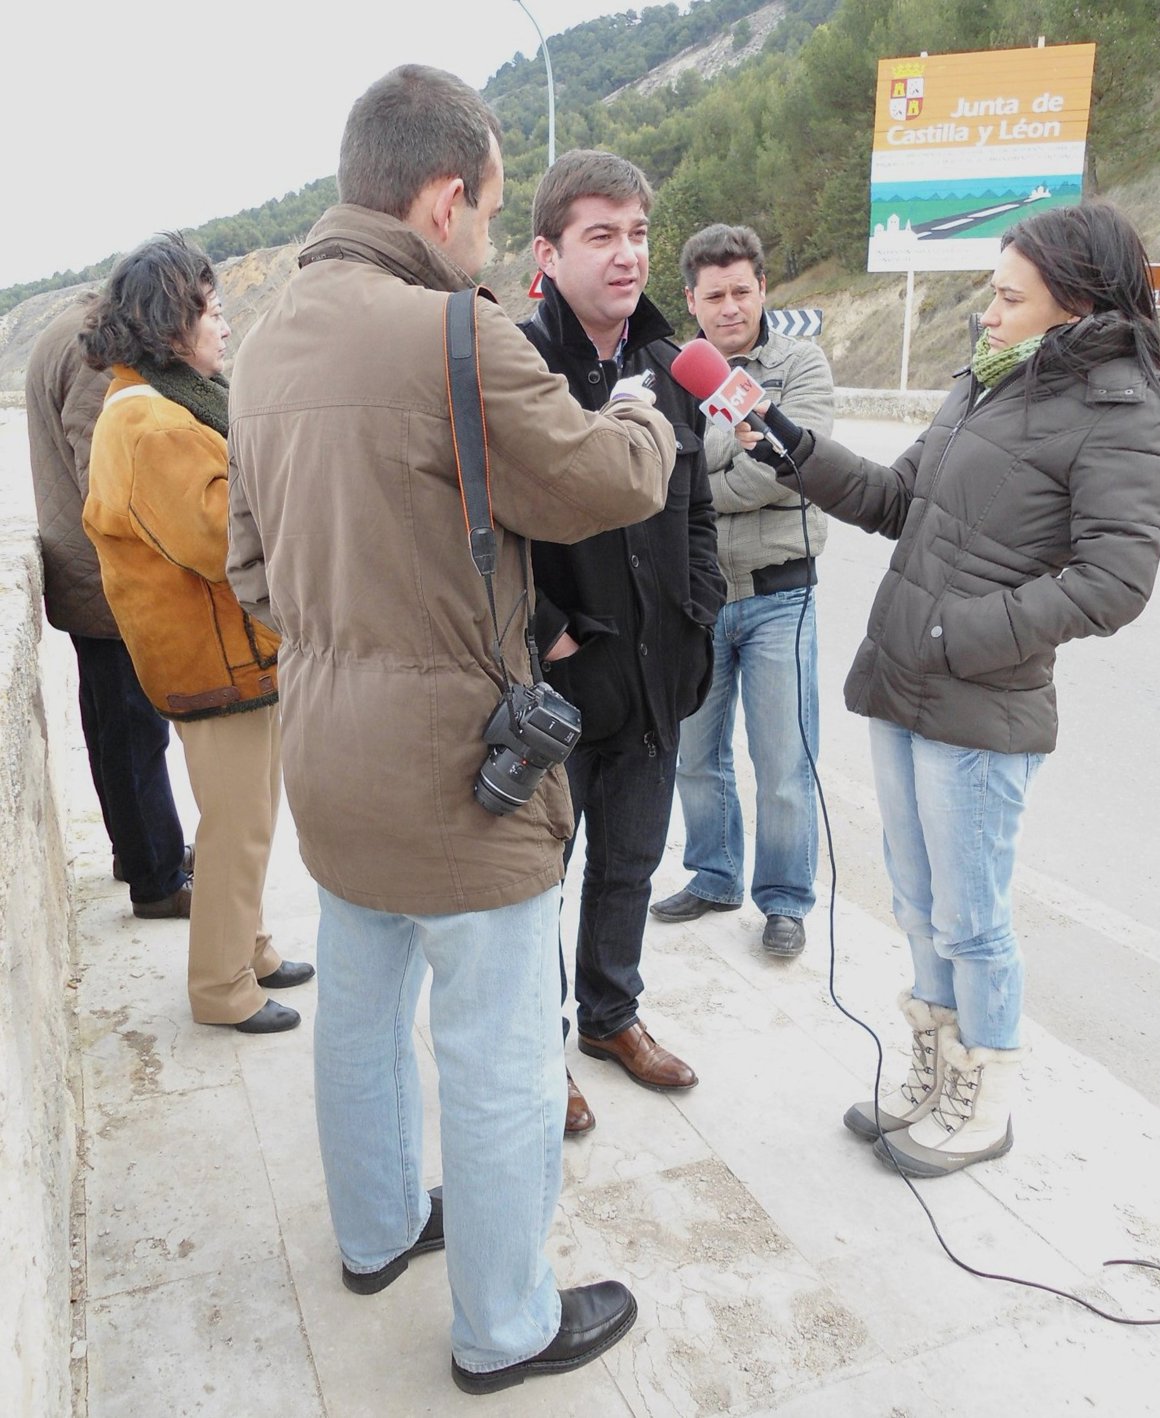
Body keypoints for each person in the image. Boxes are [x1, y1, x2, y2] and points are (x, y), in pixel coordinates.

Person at [223, 67, 680, 1394]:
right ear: (443, 199)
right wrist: (642, 412)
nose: (485, 235)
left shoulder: (266, 342)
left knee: (361, 1014)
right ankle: (504, 1324)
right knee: (499, 1055)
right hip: (459, 764)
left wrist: (356, 627)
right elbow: (601, 480)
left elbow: (249, 568)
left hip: (327, 743)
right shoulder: (451, 333)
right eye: (486, 208)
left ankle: (376, 1232)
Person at [734, 201, 1160, 1177]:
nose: (989, 310)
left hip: (981, 703)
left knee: (972, 920)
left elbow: (1115, 582)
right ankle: (936, 1071)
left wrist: (957, 633)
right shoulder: (990, 378)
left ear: (1077, 304)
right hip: (906, 684)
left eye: (1009, 297)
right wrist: (793, 449)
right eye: (992, 290)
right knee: (917, 901)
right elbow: (897, 500)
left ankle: (985, 1099)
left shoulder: (1122, 409)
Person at [521, 151, 725, 1135]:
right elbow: (480, 532)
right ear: (547, 252)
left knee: (631, 863)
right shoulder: (520, 367)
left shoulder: (673, 365)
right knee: (536, 885)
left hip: (657, 675)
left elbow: (698, 507)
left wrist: (701, 603)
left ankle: (611, 1016)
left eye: (638, 233)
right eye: (600, 235)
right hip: (560, 685)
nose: (627, 255)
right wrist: (547, 633)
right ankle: (538, 1047)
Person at [81, 234, 312, 1035]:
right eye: (210, 311)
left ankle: (250, 946)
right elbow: (220, 539)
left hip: (229, 651)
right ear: (167, 322)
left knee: (248, 814)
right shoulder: (152, 421)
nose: (225, 324)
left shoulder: (162, 400)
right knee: (238, 824)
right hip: (215, 656)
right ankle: (222, 986)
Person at [651, 223, 834, 958]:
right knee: (696, 756)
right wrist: (730, 455)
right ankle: (714, 874)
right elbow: (652, 470)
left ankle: (784, 900)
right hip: (697, 598)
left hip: (779, 595)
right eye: (714, 295)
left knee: (784, 763)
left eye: (742, 291)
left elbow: (789, 467)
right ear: (691, 300)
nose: (730, 307)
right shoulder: (667, 372)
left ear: (763, 289)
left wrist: (696, 484)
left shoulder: (800, 365)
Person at [26, 298, 192, 919]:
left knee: (112, 727)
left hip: (83, 570)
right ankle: (157, 877)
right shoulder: (94, 348)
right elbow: (106, 476)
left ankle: (140, 851)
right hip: (105, 577)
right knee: (133, 731)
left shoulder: (70, 331)